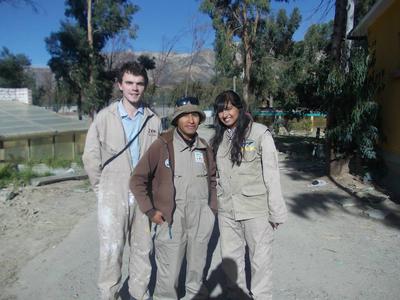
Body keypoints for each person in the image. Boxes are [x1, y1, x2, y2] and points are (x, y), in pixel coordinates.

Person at [82, 61, 161, 300]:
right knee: (111, 251)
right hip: (112, 193)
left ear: (145, 86)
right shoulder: (105, 117)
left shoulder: (153, 120)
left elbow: (157, 160)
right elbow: (90, 157)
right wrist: (102, 189)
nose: (134, 88)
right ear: (120, 85)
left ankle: (139, 294)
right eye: (129, 83)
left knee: (142, 249)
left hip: (143, 195)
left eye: (139, 83)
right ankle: (109, 294)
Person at [130, 97, 217, 300]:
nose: (190, 119)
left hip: (200, 217)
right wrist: (151, 211)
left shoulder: (204, 147)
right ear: (176, 119)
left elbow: (213, 179)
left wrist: (211, 210)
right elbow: (137, 180)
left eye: (195, 114)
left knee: (196, 271)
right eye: (185, 115)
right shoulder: (162, 145)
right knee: (168, 276)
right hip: (171, 219)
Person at [210, 90, 287, 300]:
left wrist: (276, 212)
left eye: (229, 109)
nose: (225, 115)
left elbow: (272, 174)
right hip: (228, 211)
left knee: (260, 261)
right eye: (220, 111)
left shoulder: (260, 134)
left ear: (239, 108)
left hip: (256, 211)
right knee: (231, 261)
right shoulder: (220, 138)